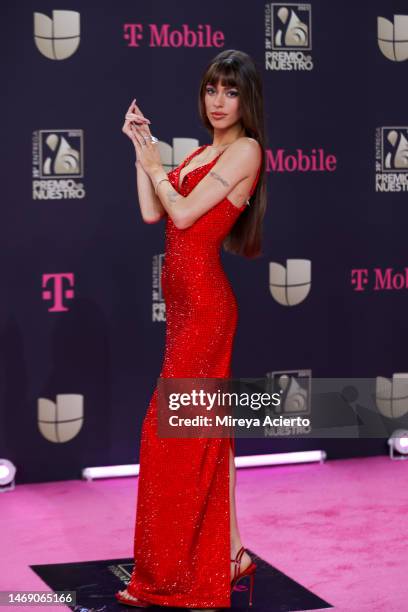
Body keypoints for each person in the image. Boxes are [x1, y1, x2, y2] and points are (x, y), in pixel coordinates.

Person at [116, 49, 266, 609]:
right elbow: (153, 213)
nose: (219, 102)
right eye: (211, 90)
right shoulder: (203, 152)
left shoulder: (247, 150)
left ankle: (180, 572)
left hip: (205, 309)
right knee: (205, 433)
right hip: (183, 312)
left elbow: (181, 215)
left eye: (229, 92)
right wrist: (141, 152)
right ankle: (233, 552)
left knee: (173, 432)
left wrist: (159, 167)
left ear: (245, 99)